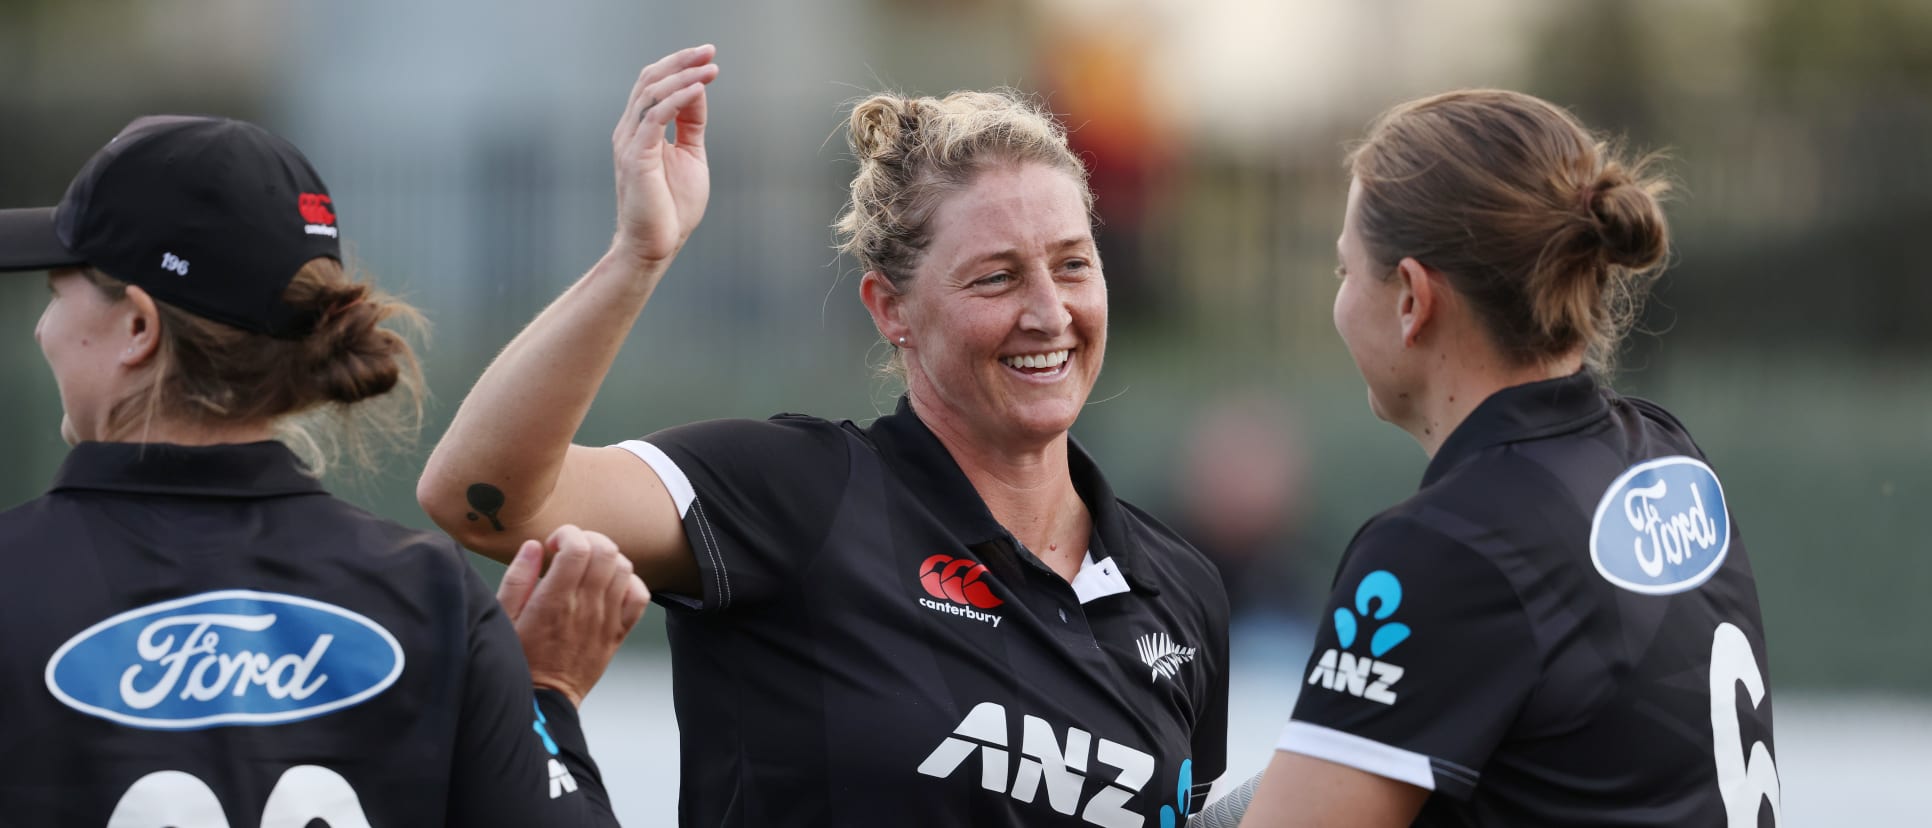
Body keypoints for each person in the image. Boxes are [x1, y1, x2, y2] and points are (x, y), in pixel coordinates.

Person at [417, 45, 1230, 826]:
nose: (1050, 313)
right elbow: (481, 498)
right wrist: (637, 256)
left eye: (1074, 265)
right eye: (997, 276)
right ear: (890, 309)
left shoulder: (1179, 591)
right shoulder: (800, 495)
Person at [0, 115, 647, 826]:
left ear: (138, 329)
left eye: (58, 295)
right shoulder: (429, 597)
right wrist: (545, 695)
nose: (43, 330)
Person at [1230, 90, 1780, 826]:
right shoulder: (1667, 456)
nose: (1339, 300)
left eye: (1344, 273)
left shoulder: (1443, 549)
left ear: (1412, 300)